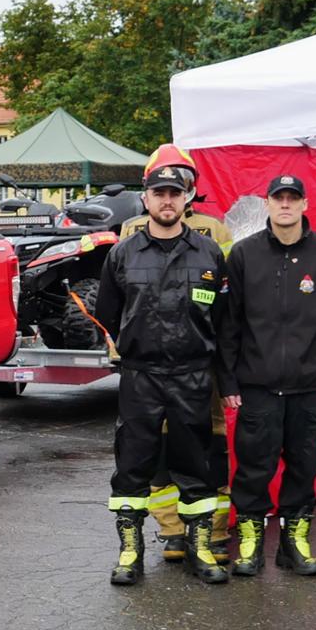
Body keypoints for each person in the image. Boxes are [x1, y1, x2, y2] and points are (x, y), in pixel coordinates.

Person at [96, 153, 232, 585]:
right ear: (147, 198)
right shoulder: (122, 255)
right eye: (160, 193)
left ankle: (200, 546)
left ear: (187, 197)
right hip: (141, 377)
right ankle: (130, 552)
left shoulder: (209, 252)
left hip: (194, 377)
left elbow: (225, 323)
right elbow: (108, 313)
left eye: (175, 193)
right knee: (133, 465)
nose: (168, 201)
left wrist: (225, 380)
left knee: (196, 467)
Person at [218, 174, 316, 577]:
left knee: (304, 468)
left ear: (305, 205)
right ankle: (251, 541)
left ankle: (294, 542)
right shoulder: (243, 255)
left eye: (293, 198)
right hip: (257, 388)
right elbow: (229, 325)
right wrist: (228, 382)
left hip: (310, 389)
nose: (285, 205)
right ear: (267, 203)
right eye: (279, 198)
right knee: (253, 469)